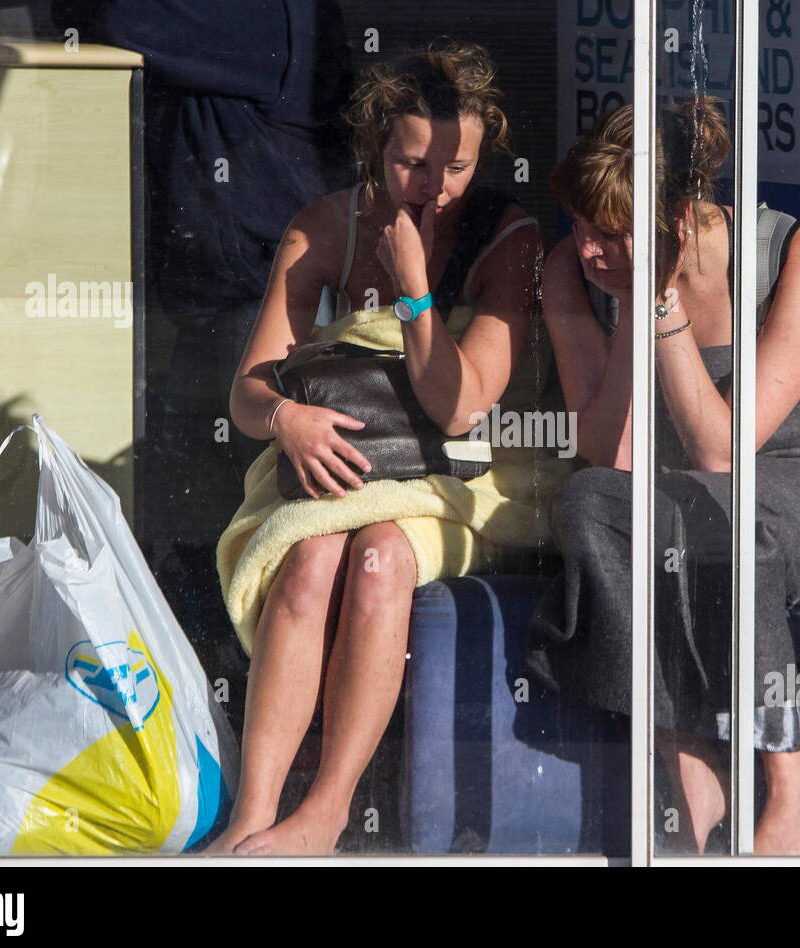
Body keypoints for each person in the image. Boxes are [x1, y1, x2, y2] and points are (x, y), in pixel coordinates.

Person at [207, 41, 547, 855]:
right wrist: (287, 419)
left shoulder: (507, 238)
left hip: (458, 482)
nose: (435, 187)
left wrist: (416, 292)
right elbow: (247, 394)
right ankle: (254, 815)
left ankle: (328, 808)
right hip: (344, 464)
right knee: (310, 561)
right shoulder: (322, 227)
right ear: (374, 148)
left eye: (456, 166)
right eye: (412, 164)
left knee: (378, 559)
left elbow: (461, 405)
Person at [525, 98, 800, 855]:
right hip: (681, 512)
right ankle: (687, 757)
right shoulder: (570, 274)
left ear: (677, 221)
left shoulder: (792, 259)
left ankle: (794, 777)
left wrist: (660, 304)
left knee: (718, 510)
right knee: (587, 501)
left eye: (610, 233)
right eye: (580, 226)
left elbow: (722, 452)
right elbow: (608, 453)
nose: (589, 250)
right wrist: (629, 305)